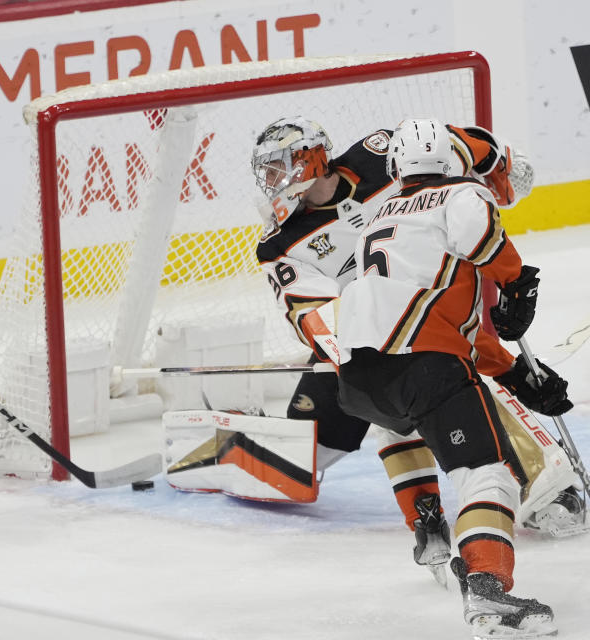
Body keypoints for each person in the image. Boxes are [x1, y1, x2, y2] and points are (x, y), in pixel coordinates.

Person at [248, 116, 580, 570]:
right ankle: (457, 512)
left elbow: (464, 143)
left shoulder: (381, 153)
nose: (272, 181)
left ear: (312, 157)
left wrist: (500, 162)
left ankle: (527, 490)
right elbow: (321, 321)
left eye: (279, 166)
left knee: (405, 390)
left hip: (420, 312)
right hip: (368, 331)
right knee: (329, 438)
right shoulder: (281, 244)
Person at [336, 117, 557, 638]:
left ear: (396, 167)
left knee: (405, 424)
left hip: (358, 377)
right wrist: (518, 285)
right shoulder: (460, 193)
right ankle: (487, 590)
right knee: (488, 471)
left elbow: (433, 313)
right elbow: (485, 244)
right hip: (425, 366)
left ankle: (425, 521)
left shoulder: (375, 213)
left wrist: (517, 374)